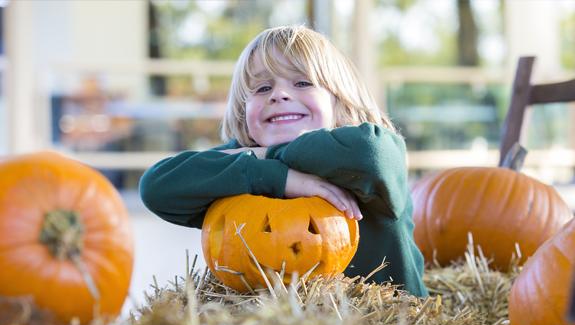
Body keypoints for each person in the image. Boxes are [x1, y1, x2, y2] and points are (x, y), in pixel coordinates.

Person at [139, 25, 428, 297]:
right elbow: (157, 185)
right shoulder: (245, 160)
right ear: (242, 111)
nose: (279, 95)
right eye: (262, 88)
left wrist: (271, 154)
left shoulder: (372, 153)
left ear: (340, 101)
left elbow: (370, 153)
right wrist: (280, 177)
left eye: (302, 82)